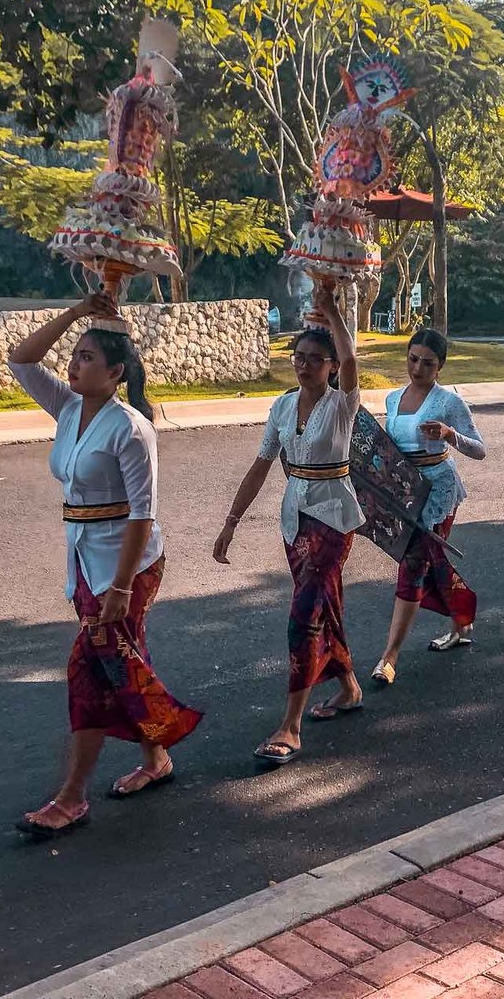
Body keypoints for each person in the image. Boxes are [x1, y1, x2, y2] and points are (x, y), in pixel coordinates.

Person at [6, 291, 201, 837]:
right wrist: (73, 313)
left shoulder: (131, 428)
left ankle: (71, 797)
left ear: (116, 372)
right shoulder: (68, 409)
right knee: (118, 663)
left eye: (88, 356)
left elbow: (143, 514)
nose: (74, 362)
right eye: (75, 354)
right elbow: (21, 360)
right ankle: (156, 756)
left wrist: (119, 586)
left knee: (88, 669)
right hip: (83, 560)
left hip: (127, 566)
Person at [213, 285, 364, 765]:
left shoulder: (342, 404)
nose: (304, 365)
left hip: (333, 519)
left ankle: (290, 725)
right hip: (293, 521)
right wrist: (231, 522)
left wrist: (335, 313)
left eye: (315, 359)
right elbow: (261, 465)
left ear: (332, 366)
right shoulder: (280, 406)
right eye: (298, 356)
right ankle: (349, 687)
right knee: (326, 605)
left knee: (304, 616)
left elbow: (353, 363)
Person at [371, 329, 486, 685]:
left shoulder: (449, 403)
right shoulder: (392, 399)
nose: (418, 368)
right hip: (403, 495)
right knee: (432, 563)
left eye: (428, 363)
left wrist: (450, 435)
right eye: (413, 359)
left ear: (441, 367)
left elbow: (479, 450)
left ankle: (389, 657)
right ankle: (461, 618)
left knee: (414, 565)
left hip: (438, 491)